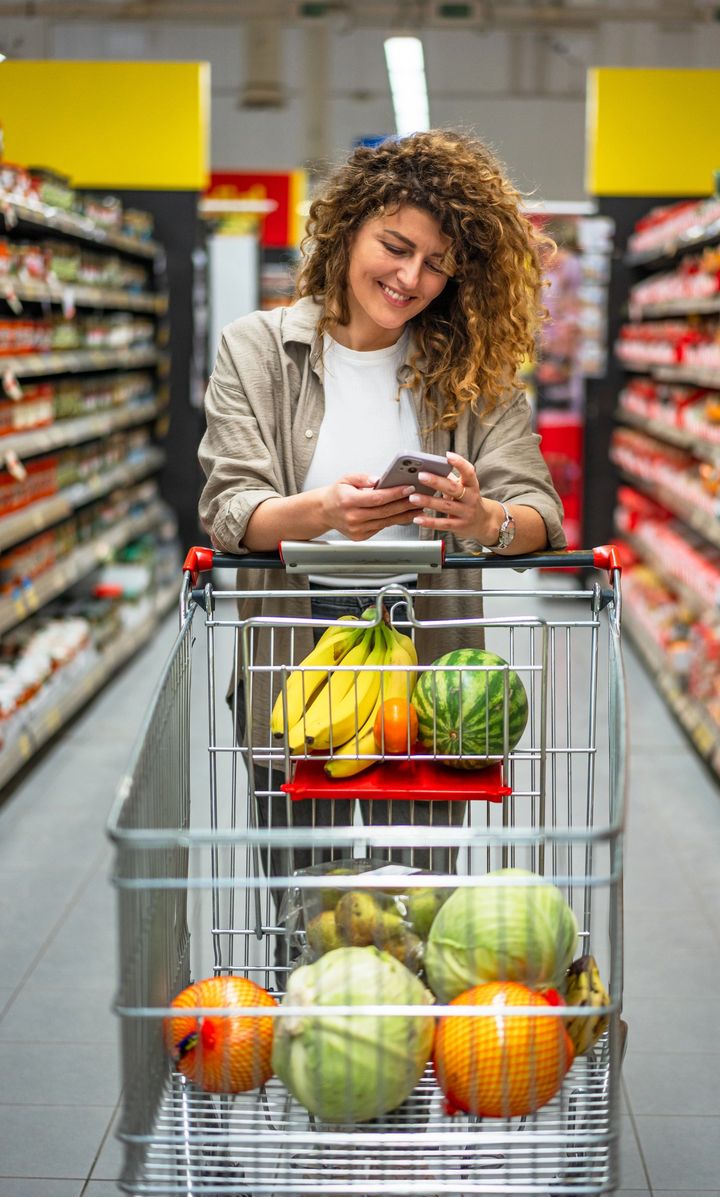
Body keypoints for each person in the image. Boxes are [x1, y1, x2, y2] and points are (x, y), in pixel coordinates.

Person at [197, 129, 566, 898]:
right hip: (293, 652)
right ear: (347, 227)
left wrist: (480, 518)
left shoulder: (473, 372)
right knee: (304, 903)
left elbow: (538, 515)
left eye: (438, 264)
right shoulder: (256, 350)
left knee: (420, 900)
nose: (410, 278)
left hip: (427, 651)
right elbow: (231, 509)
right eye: (394, 246)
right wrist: (320, 513)